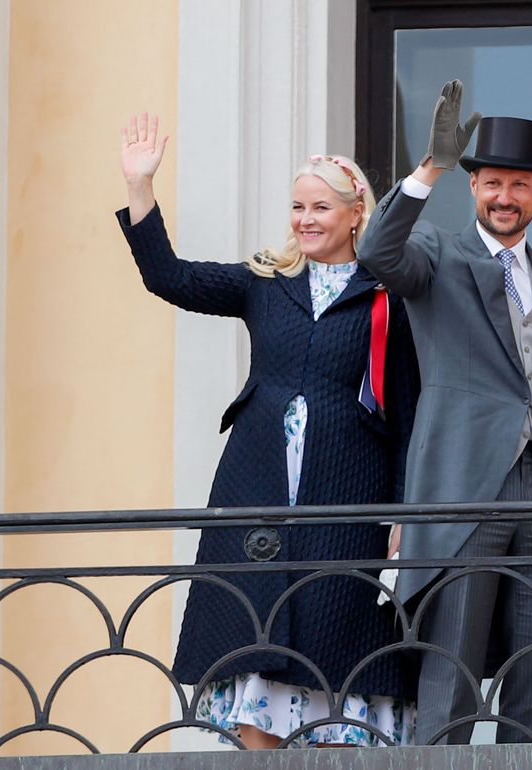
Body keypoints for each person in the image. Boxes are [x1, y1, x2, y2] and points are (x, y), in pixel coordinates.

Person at [114, 113, 419, 749]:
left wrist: (402, 513)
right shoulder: (264, 282)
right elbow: (169, 277)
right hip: (257, 487)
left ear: (356, 212)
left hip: (349, 493)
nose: (305, 219)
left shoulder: (388, 296)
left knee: (339, 653)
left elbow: (407, 414)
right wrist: (140, 188)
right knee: (259, 648)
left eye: (320, 208)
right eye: (297, 207)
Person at [356, 81, 532, 745]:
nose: (505, 197)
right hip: (466, 488)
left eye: (520, 185)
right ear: (473, 188)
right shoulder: (440, 255)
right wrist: (428, 169)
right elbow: (376, 254)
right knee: (452, 680)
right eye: (493, 182)